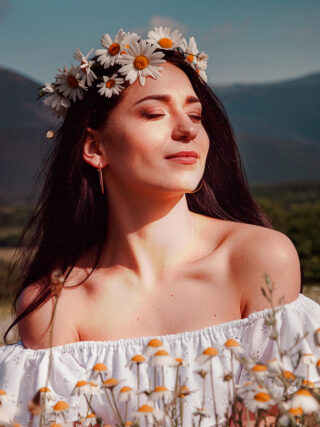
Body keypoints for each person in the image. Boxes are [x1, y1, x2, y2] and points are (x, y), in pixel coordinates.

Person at [0, 27, 319, 426]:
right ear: (95, 148)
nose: (188, 130)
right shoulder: (56, 307)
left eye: (195, 114)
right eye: (154, 113)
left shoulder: (257, 260)